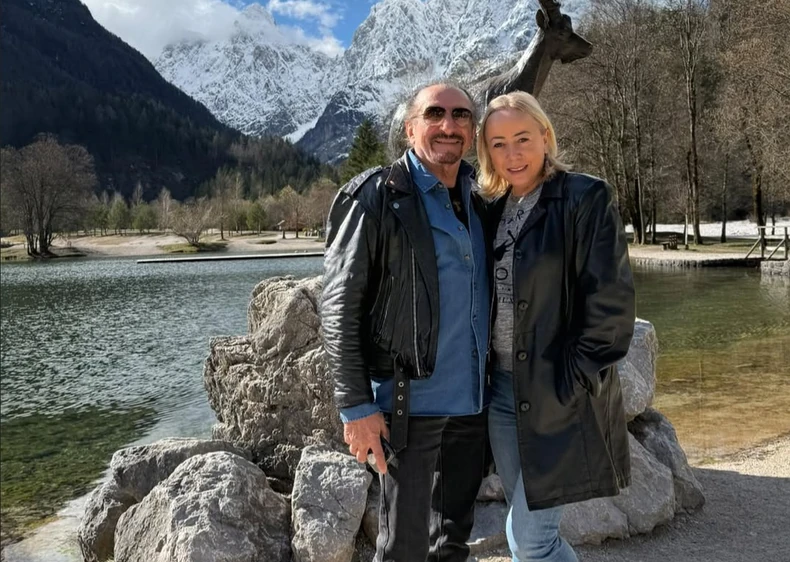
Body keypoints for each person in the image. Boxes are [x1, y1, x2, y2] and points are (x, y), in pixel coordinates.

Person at [321, 82, 493, 562]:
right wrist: (355, 405)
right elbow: (338, 307)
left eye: (461, 115)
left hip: (474, 403)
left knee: (452, 541)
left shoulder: (483, 195)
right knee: (404, 547)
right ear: (409, 129)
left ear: (473, 131)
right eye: (434, 114)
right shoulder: (374, 196)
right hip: (409, 405)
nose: (448, 125)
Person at [476, 91, 635, 561]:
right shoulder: (492, 208)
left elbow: (611, 305)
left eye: (523, 138)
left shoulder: (585, 197)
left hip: (559, 395)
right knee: (527, 533)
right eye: (499, 144)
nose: (513, 154)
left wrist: (573, 382)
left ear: (545, 135)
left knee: (531, 538)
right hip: (502, 394)